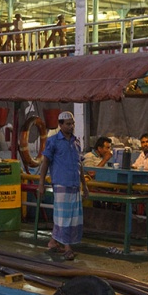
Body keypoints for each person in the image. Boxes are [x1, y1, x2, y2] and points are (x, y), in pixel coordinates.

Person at [38, 111, 89, 261]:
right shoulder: (53, 141)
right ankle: (67, 247)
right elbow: (45, 162)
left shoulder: (76, 142)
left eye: (72, 123)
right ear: (60, 125)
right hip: (61, 184)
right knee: (65, 217)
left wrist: (84, 185)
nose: (71, 126)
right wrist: (41, 183)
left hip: (74, 185)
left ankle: (53, 241)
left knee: (72, 217)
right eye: (68, 124)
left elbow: (79, 165)